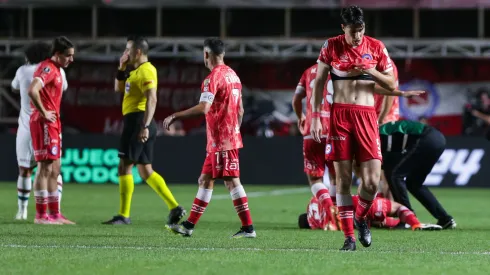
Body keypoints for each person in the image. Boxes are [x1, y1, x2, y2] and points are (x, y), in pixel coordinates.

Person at [309, 5, 400, 251]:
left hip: (367, 117)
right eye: (352, 31)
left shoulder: (376, 47)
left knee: (371, 182)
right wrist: (316, 116)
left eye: (360, 30)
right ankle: (349, 237)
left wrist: (371, 70)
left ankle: (361, 218)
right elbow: (318, 82)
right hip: (340, 116)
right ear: (343, 28)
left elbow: (391, 84)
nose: (357, 36)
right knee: (344, 179)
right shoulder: (331, 46)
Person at [163, 38, 256, 238]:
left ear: (206, 54)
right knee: (205, 180)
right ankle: (188, 226)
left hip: (222, 139)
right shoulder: (234, 76)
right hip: (223, 138)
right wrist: (234, 130)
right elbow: (240, 110)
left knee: (232, 181)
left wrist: (175, 115)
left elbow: (204, 107)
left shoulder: (213, 78)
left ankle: (248, 228)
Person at [103, 36, 185, 226]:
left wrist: (145, 126)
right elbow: (118, 89)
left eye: (128, 50)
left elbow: (152, 99)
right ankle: (174, 207)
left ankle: (124, 215)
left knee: (124, 167)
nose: (126, 53)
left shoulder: (147, 70)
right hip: (137, 121)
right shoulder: (134, 71)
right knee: (146, 171)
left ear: (138, 52)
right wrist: (121, 67)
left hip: (138, 121)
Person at [12, 42, 68, 221]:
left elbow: (14, 86)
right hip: (48, 123)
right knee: (53, 169)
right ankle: (52, 212)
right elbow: (63, 88)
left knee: (25, 169)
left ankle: (22, 211)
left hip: (27, 126)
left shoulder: (22, 71)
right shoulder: (54, 70)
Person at [27, 36, 75, 224]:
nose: (71, 60)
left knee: (55, 169)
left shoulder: (57, 70)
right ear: (57, 54)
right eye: (68, 56)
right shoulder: (47, 68)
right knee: (44, 168)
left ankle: (55, 214)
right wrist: (44, 112)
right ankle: (41, 215)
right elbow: (33, 90)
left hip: (54, 123)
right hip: (43, 123)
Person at [379, 120, 457, 229]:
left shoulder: (378, 136)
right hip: (438, 139)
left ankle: (406, 218)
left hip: (426, 138)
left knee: (394, 175)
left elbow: (386, 165)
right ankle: (445, 218)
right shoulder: (382, 133)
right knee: (414, 184)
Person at [292, 64, 339, 230]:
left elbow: (296, 100)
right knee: (336, 177)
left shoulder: (308, 71)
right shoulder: (342, 70)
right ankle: (337, 215)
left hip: (313, 128)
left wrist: (300, 117)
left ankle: (329, 213)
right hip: (337, 130)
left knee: (315, 179)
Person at [298, 195, 442, 231]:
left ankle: (402, 224)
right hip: (353, 203)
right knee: (397, 208)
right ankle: (414, 223)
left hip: (348, 221)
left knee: (376, 221)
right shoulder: (312, 203)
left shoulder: (313, 223)